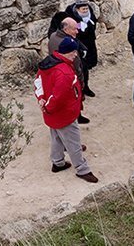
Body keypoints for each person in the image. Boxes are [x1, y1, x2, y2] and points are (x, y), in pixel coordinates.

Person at [35, 37, 99, 183]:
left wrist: (41, 100)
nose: (75, 54)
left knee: (56, 137)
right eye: (73, 52)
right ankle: (82, 169)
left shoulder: (48, 63)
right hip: (64, 114)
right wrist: (48, 106)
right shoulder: (65, 73)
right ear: (66, 52)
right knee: (74, 142)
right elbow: (58, 97)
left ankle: (58, 163)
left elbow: (38, 81)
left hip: (52, 114)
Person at [48, 17, 91, 124]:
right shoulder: (68, 44)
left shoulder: (53, 36)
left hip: (56, 72)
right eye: (74, 29)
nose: (77, 31)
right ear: (66, 30)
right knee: (73, 98)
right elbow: (76, 65)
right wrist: (81, 82)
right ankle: (76, 117)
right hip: (69, 75)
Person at [64, 0, 98, 98]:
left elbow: (94, 22)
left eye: (86, 8)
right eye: (83, 9)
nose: (85, 10)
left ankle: (86, 87)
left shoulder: (89, 12)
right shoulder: (71, 16)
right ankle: (79, 90)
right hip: (78, 46)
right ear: (77, 9)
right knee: (79, 69)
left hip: (90, 44)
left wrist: (89, 26)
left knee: (86, 68)